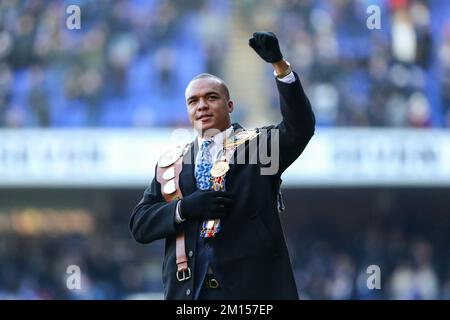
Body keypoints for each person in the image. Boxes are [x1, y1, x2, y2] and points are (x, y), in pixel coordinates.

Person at [129, 32, 315, 300]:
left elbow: (300, 128)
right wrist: (183, 208)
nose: (202, 106)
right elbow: (139, 225)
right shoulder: (173, 163)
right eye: (193, 101)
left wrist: (280, 67)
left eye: (211, 97)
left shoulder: (259, 148)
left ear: (229, 105)